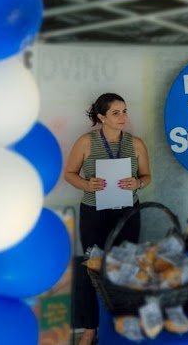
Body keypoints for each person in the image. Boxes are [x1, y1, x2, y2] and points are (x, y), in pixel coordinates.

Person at [63, 93, 151, 345]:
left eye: (124, 111)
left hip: (127, 213)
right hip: (94, 213)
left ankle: (121, 323)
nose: (123, 117)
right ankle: (90, 328)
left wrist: (138, 183)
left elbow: (146, 177)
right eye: (116, 113)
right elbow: (70, 174)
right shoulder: (85, 142)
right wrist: (86, 185)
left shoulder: (136, 144)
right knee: (94, 270)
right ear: (101, 117)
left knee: (126, 268)